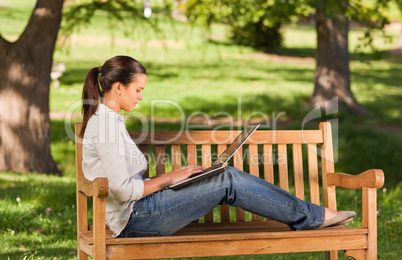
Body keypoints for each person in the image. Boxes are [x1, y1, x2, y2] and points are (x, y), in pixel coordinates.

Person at [80, 55, 356, 238]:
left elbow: (125, 181)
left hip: (141, 210)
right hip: (135, 219)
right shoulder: (104, 125)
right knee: (227, 180)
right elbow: (121, 189)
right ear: (118, 87)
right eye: (138, 90)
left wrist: (179, 178)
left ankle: (311, 215)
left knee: (223, 177)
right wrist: (169, 178)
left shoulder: (110, 121)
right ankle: (313, 217)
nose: (140, 97)